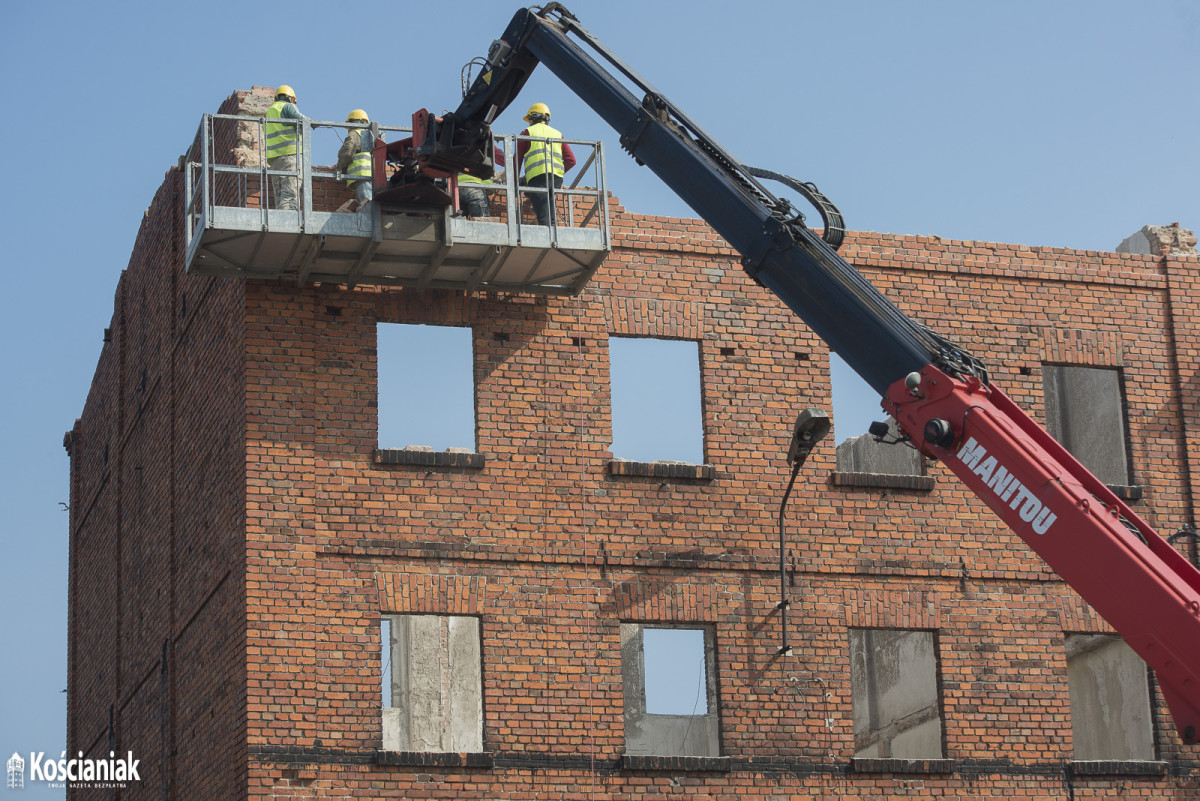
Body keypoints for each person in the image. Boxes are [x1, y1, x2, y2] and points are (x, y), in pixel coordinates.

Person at [516, 103, 576, 226]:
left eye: (529, 120)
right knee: (549, 206)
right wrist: (557, 171)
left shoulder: (527, 132)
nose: (529, 123)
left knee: (543, 214)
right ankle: (553, 230)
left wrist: (512, 183)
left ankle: (549, 238)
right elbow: (571, 160)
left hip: (538, 179)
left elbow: (517, 161)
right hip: (556, 179)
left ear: (533, 117)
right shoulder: (558, 134)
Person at [264, 85, 308, 210]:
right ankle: (290, 223)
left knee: (280, 197)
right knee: (290, 195)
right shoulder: (287, 107)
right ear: (291, 99)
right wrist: (311, 123)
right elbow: (303, 121)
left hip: (274, 160)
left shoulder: (270, 112)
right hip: (290, 156)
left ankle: (281, 223)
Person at [338, 109, 377, 209]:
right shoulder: (372, 136)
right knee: (372, 203)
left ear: (353, 122)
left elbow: (347, 153)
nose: (348, 129)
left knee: (368, 206)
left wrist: (339, 168)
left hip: (361, 176)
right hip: (374, 177)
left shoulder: (355, 134)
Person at [457, 145, 506, 219]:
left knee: (460, 224)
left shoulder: (457, 143)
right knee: (481, 222)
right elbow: (504, 160)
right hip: (475, 187)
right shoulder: (484, 142)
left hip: (457, 188)